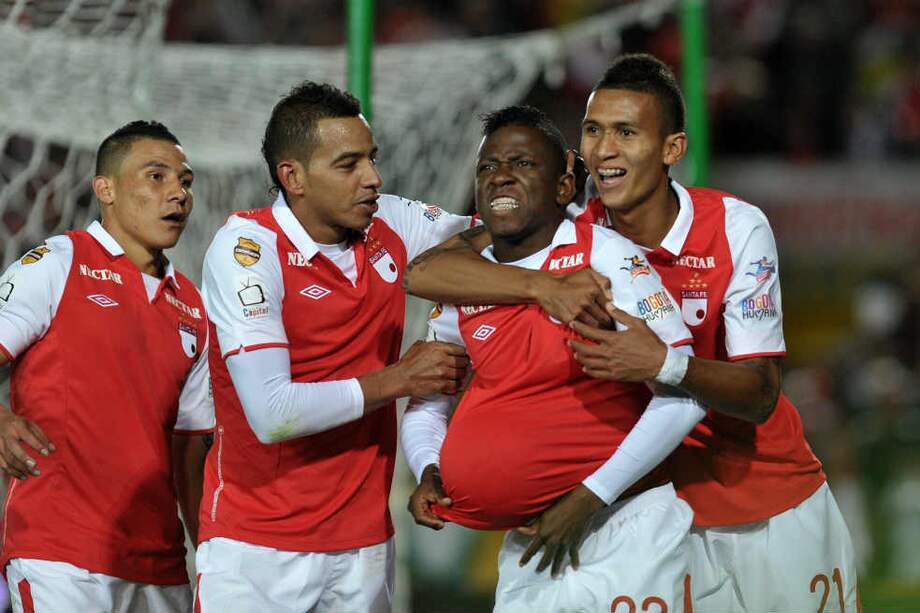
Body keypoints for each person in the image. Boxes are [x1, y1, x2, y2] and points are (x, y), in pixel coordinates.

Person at [404, 55, 860, 612]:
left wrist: (663, 363)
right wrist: (541, 289)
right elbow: (427, 270)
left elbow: (760, 394)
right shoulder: (564, 229)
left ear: (672, 148)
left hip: (764, 499)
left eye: (626, 132)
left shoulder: (734, 227)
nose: (605, 150)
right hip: (640, 510)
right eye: (594, 131)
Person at [402, 105, 706, 612]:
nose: (500, 175)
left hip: (623, 528)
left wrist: (589, 498)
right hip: (527, 545)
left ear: (565, 185)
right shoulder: (464, 284)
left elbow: (685, 393)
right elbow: (430, 401)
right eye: (488, 166)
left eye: (523, 164)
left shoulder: (605, 258)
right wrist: (427, 467)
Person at [193, 81, 476, 613]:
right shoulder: (247, 251)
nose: (373, 178)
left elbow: (504, 237)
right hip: (256, 549)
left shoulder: (391, 222)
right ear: (292, 177)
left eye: (371, 159)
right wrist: (401, 379)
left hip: (365, 544)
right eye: (348, 165)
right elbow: (272, 413)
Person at [0, 121, 213, 613]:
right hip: (62, 554)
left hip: (160, 565)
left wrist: (211, 553)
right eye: (157, 177)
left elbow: (189, 452)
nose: (178, 194)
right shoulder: (59, 262)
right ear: (106, 188)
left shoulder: (194, 309)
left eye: (185, 181)